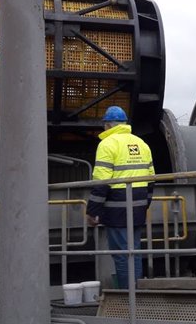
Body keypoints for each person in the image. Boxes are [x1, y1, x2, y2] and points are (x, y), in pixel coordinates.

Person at [86, 106, 154, 289]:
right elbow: (151, 180)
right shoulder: (142, 144)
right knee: (134, 252)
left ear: (108, 125)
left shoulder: (107, 144)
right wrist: (144, 205)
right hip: (138, 208)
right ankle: (136, 294)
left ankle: (127, 297)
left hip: (117, 210)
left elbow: (101, 182)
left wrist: (92, 211)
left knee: (122, 255)